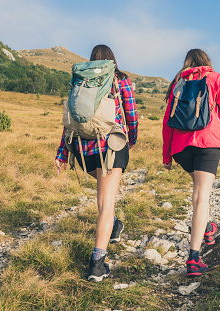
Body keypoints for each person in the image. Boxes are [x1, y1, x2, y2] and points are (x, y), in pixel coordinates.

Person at [55, 44, 138, 282]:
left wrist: (62, 152)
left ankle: (114, 225)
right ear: (112, 61)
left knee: (104, 197)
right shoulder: (120, 79)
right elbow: (131, 113)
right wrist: (130, 139)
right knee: (106, 204)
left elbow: (69, 120)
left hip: (83, 151)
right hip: (112, 148)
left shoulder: (79, 82)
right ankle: (97, 264)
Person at [162, 49, 220, 276]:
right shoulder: (215, 78)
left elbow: (167, 121)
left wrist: (167, 154)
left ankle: (206, 226)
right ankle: (194, 258)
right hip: (208, 143)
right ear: (207, 62)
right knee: (201, 197)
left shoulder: (178, 82)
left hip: (181, 147)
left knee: (199, 193)